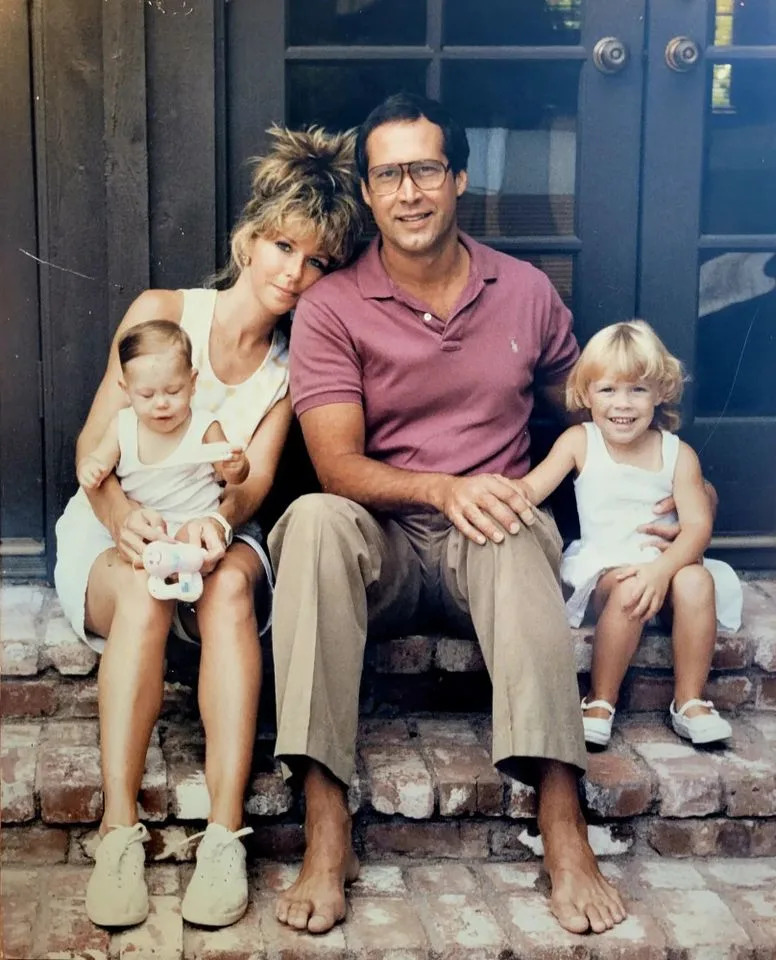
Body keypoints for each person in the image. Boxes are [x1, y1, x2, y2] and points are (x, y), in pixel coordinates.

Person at [268, 92, 629, 937]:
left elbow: (593, 410)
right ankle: (327, 828)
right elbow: (336, 465)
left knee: (511, 527)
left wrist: (663, 489)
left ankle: (563, 826)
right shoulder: (334, 307)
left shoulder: (527, 291)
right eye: (389, 174)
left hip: (488, 541)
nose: (409, 193)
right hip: (384, 543)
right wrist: (441, 487)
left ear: (459, 178)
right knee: (315, 519)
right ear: (366, 191)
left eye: (425, 169)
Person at [54, 124, 362, 930]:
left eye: (318, 259)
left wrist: (215, 526)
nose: (296, 272)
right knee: (145, 596)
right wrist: (123, 518)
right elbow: (94, 447)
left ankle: (225, 835)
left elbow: (254, 482)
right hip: (116, 520)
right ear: (250, 240)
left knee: (225, 594)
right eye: (284, 247)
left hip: (215, 529)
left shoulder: (293, 365)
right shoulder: (162, 312)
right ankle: (119, 827)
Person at [515, 320, 742, 748]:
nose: (623, 404)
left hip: (667, 567)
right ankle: (601, 699)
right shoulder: (579, 441)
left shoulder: (678, 453)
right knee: (627, 585)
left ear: (660, 393)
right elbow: (531, 489)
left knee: (697, 579)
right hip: (606, 567)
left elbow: (697, 527)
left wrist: (662, 570)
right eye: (608, 390)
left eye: (638, 390)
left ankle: (689, 701)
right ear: (585, 395)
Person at [76, 320, 249, 515]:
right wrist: (90, 468)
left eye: (173, 391)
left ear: (192, 382)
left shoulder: (204, 426)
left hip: (194, 519)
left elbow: (229, 474)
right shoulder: (123, 426)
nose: (161, 404)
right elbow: (99, 460)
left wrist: (237, 468)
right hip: (142, 521)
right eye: (147, 395)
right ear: (126, 390)